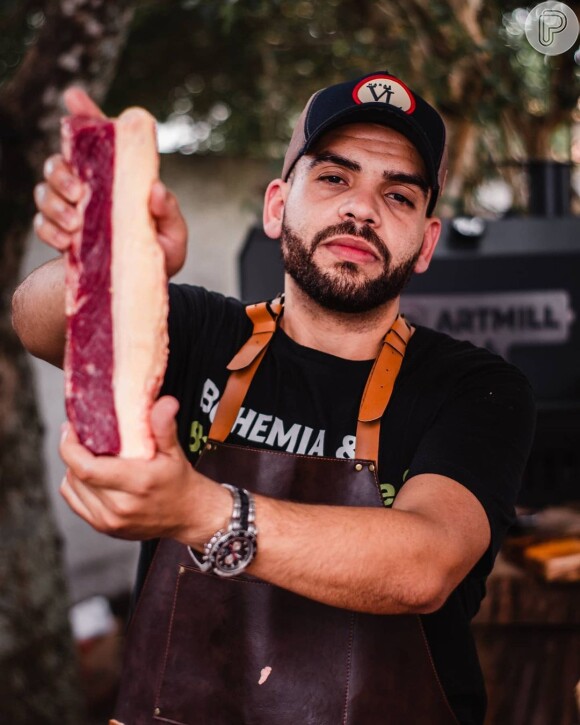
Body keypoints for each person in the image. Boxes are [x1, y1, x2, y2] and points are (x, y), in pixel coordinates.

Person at [12, 71, 535, 725]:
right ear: (276, 205)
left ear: (426, 243)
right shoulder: (201, 334)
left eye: (399, 195)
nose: (362, 209)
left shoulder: (473, 387)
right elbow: (38, 322)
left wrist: (203, 511)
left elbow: (424, 563)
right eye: (334, 177)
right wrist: (115, 255)